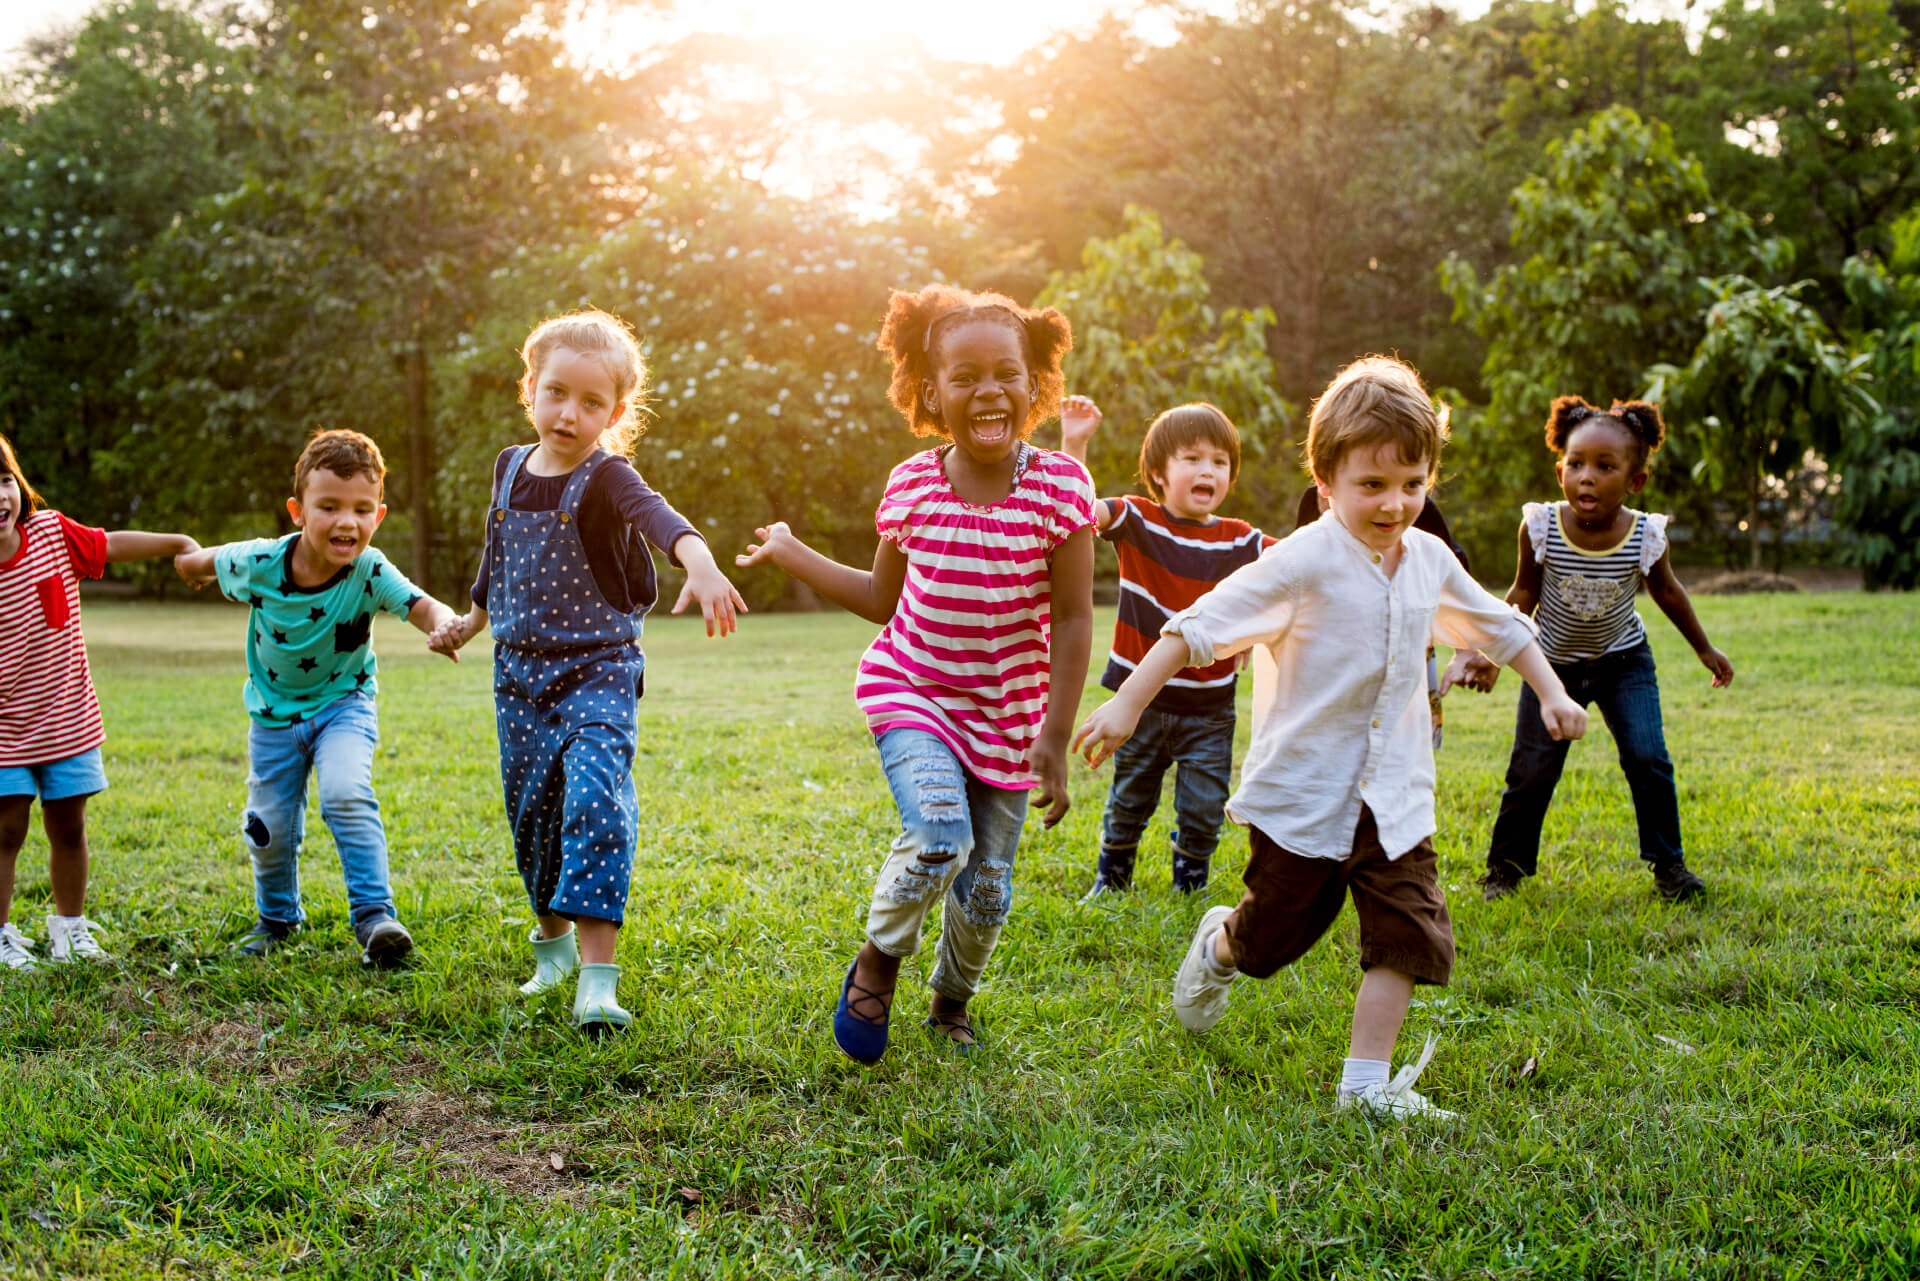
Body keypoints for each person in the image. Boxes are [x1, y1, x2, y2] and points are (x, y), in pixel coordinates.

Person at [1074, 357, 1588, 1118]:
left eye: (1412, 483)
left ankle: (1364, 1086)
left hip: (1395, 793)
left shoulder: (1430, 560)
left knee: (1407, 929)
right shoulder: (1299, 561)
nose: (1395, 503)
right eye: (1372, 485)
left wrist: (1551, 690)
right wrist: (1126, 707)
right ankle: (1221, 944)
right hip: (1307, 794)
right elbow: (1197, 629)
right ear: (1326, 484)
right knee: (1272, 939)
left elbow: (1498, 625)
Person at [736, 284, 1095, 1062]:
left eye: (1007, 372)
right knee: (938, 836)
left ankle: (951, 1001)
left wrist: (1055, 735)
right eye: (965, 377)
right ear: (933, 393)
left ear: (1035, 385)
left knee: (989, 888)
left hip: (1009, 715)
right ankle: (879, 960)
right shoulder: (911, 486)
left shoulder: (1062, 490)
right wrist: (794, 551)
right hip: (915, 691)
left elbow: (1072, 620)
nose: (988, 389)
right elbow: (877, 598)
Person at [431, 310, 745, 1034]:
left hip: (598, 670)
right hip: (517, 679)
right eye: (557, 392)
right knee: (533, 813)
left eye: (591, 402)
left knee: (595, 798)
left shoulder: (608, 476)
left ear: (616, 412)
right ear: (530, 389)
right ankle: (554, 953)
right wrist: (470, 623)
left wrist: (699, 559)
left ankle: (599, 981)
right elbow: (496, 558)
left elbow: (661, 518)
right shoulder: (508, 468)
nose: (570, 413)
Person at [176, 430, 460, 968]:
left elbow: (423, 606)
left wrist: (446, 625)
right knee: (268, 829)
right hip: (273, 718)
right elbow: (200, 561)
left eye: (360, 509)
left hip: (344, 706)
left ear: (378, 514)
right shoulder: (260, 562)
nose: (345, 522)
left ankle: (375, 918)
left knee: (346, 792)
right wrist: (188, 565)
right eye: (328, 506)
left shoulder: (371, 569)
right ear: (298, 511)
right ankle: (278, 918)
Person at [1466, 397, 1732, 903]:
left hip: (1624, 663)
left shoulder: (1643, 534)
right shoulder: (1540, 526)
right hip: (1552, 670)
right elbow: (1523, 594)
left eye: (1606, 467)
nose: (1588, 477)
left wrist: (1704, 648)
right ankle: (1505, 871)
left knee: (1648, 756)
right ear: (1560, 469)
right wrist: (1490, 651)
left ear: (1635, 481)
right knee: (1531, 770)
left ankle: (1669, 867)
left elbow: (1668, 591)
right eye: (1577, 464)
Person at [1059, 396, 1272, 897]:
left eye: (1220, 462)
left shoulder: (1241, 541)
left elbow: (1298, 568)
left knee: (1203, 805)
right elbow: (1072, 513)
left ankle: (1190, 884)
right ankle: (1111, 882)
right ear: (1158, 473)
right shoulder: (1137, 519)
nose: (1209, 470)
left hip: (1210, 710)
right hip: (1140, 705)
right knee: (1130, 798)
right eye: (1193, 459)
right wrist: (1075, 442)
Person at [0, 433, 198, 969]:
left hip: (65, 716)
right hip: (3, 731)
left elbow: (110, 544)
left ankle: (69, 927)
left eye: (2, 481)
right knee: (5, 829)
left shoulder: (50, 533)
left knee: (69, 826)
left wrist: (175, 541)